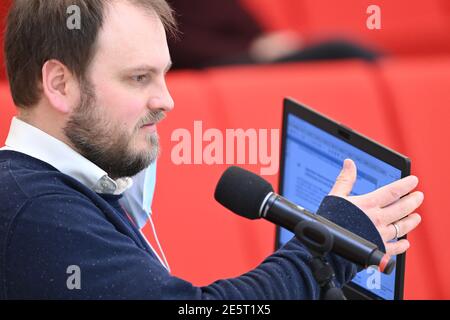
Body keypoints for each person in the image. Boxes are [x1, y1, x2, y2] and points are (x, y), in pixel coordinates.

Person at [0, 0, 422, 299]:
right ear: (60, 85)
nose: (166, 100)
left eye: (164, 75)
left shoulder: (60, 189)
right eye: (138, 78)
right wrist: (325, 248)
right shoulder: (34, 208)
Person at [168, 0, 380, 69]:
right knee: (340, 47)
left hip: (251, 57)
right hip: (222, 64)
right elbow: (178, 45)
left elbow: (252, 27)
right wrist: (254, 50)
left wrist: (267, 44)